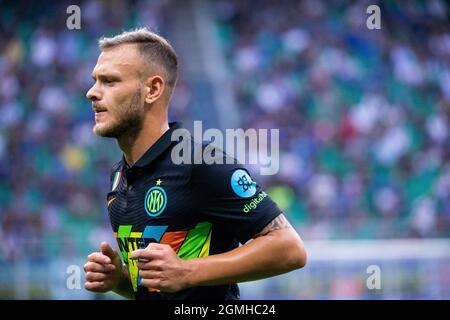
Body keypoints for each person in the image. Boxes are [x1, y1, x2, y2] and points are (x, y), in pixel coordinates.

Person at [83, 27, 307, 300]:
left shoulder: (199, 164)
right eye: (95, 81)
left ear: (153, 89)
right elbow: (163, 287)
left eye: (110, 81)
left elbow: (289, 249)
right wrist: (119, 280)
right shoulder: (120, 175)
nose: (92, 93)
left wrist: (187, 271)